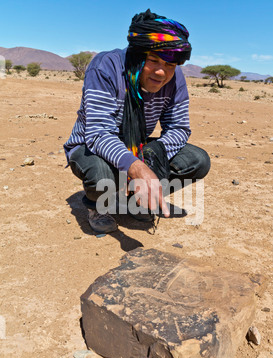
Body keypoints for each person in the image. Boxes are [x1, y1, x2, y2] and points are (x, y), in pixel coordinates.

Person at [64, 9, 210, 234]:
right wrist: (137, 167)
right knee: (101, 175)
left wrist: (152, 158)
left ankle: (136, 198)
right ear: (137, 55)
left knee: (197, 160)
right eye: (153, 60)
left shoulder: (175, 78)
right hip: (90, 146)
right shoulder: (106, 66)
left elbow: (179, 128)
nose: (162, 72)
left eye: (170, 64)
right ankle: (97, 205)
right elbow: (98, 133)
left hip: (137, 145)